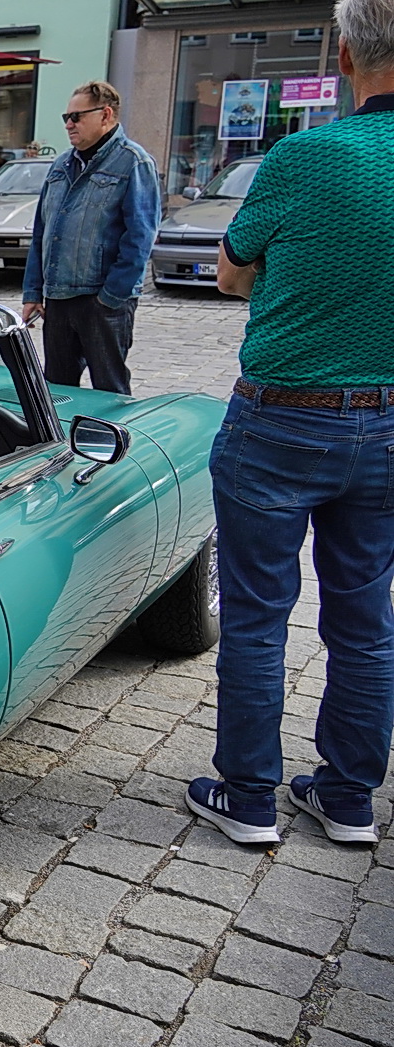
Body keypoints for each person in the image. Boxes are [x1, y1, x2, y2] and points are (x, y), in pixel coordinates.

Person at [185, 0, 394, 848]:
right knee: (365, 613)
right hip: (389, 424)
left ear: (342, 56)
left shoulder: (306, 154)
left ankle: (250, 796)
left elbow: (232, 273)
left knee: (260, 611)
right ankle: (348, 796)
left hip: (281, 419)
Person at [21, 81, 159, 396]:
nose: (69, 124)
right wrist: (33, 291)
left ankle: (113, 445)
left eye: (77, 117)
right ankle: (64, 446)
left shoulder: (133, 162)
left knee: (109, 391)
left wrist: (110, 297)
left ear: (106, 115)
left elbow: (140, 238)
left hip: (102, 301)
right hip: (58, 300)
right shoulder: (60, 165)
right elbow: (43, 231)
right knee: (55, 392)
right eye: (66, 117)